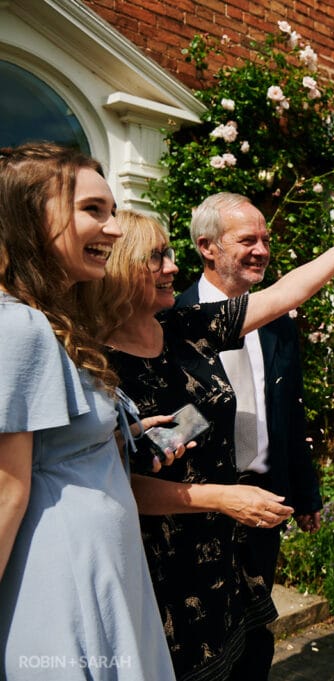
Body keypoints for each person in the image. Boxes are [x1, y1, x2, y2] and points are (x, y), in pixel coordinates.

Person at [93, 206, 334, 681]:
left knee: (249, 658)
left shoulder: (183, 327)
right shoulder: (97, 363)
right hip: (166, 555)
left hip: (227, 542)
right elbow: (112, 482)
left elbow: (282, 295)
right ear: (120, 268)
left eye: (170, 254)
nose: (172, 267)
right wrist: (220, 496)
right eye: (157, 257)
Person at [0, 143, 176, 679]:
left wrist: (116, 436)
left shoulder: (52, 318)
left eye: (112, 211)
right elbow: (6, 489)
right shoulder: (18, 326)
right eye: (92, 210)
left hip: (101, 566)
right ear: (29, 219)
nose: (115, 229)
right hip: (64, 579)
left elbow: (50, 448)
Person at [176, 192, 323, 679]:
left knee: (257, 631)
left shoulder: (277, 321)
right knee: (203, 637)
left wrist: (305, 493)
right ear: (207, 247)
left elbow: (290, 411)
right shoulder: (174, 318)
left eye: (265, 239)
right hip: (198, 506)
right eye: (247, 240)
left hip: (264, 497)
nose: (262, 250)